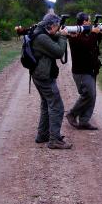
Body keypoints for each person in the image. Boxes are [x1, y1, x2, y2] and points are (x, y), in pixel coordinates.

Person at [31, 13, 71, 149]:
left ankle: (42, 135)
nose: (58, 29)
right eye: (57, 27)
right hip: (43, 76)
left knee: (46, 104)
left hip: (39, 74)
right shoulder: (41, 37)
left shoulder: (40, 31)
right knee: (57, 106)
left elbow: (52, 39)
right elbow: (59, 51)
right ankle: (54, 139)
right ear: (52, 25)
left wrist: (59, 35)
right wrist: (63, 36)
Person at [65, 12, 102, 130]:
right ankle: (72, 113)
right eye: (89, 20)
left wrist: (99, 34)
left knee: (93, 95)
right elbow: (86, 45)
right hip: (81, 71)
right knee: (88, 94)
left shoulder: (86, 33)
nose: (90, 23)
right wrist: (93, 33)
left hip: (90, 69)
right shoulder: (74, 33)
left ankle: (84, 121)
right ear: (84, 22)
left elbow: (93, 44)